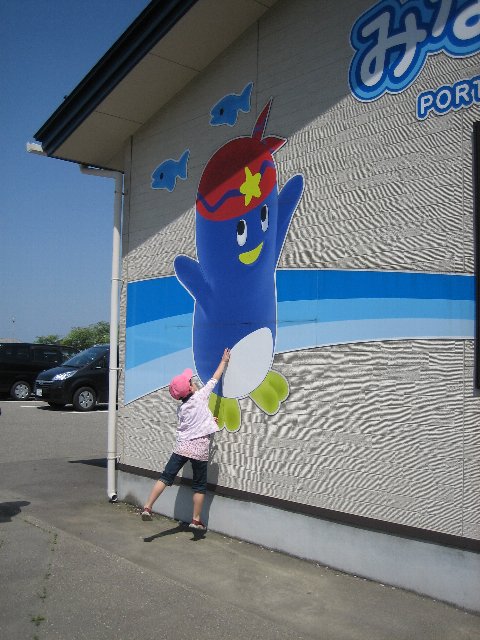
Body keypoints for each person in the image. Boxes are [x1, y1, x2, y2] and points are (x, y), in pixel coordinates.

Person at [140, 348, 231, 530]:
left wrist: (208, 420)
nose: (193, 381)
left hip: (182, 447)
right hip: (199, 450)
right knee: (199, 485)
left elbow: (191, 423)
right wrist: (224, 361)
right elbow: (214, 379)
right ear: (190, 388)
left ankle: (148, 506)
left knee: (166, 477)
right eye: (191, 381)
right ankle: (196, 519)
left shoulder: (181, 409)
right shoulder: (200, 396)